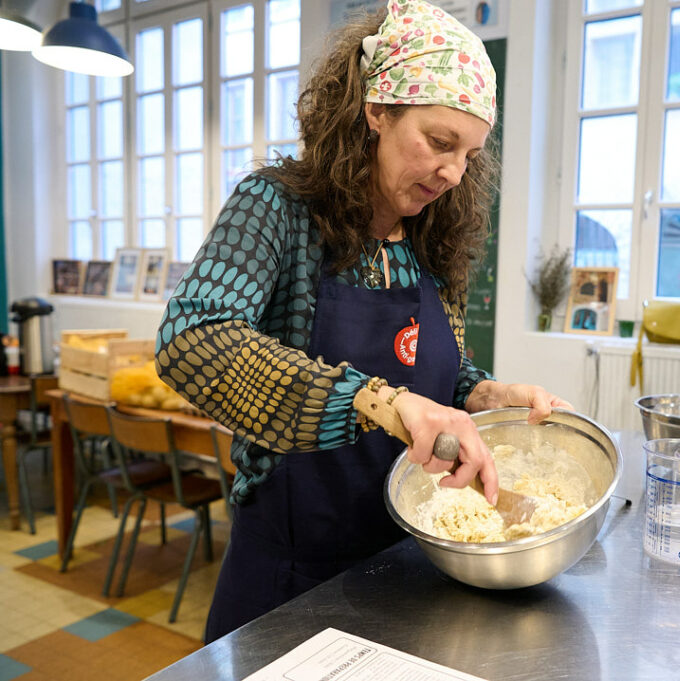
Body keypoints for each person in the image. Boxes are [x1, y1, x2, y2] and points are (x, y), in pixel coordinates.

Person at [155, 0, 570, 643]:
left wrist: (485, 396)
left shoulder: (433, 242)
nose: (453, 173)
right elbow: (192, 340)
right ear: (376, 111)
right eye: (438, 143)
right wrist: (380, 401)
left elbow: (439, 374)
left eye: (468, 154)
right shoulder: (276, 210)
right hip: (290, 580)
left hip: (411, 569)